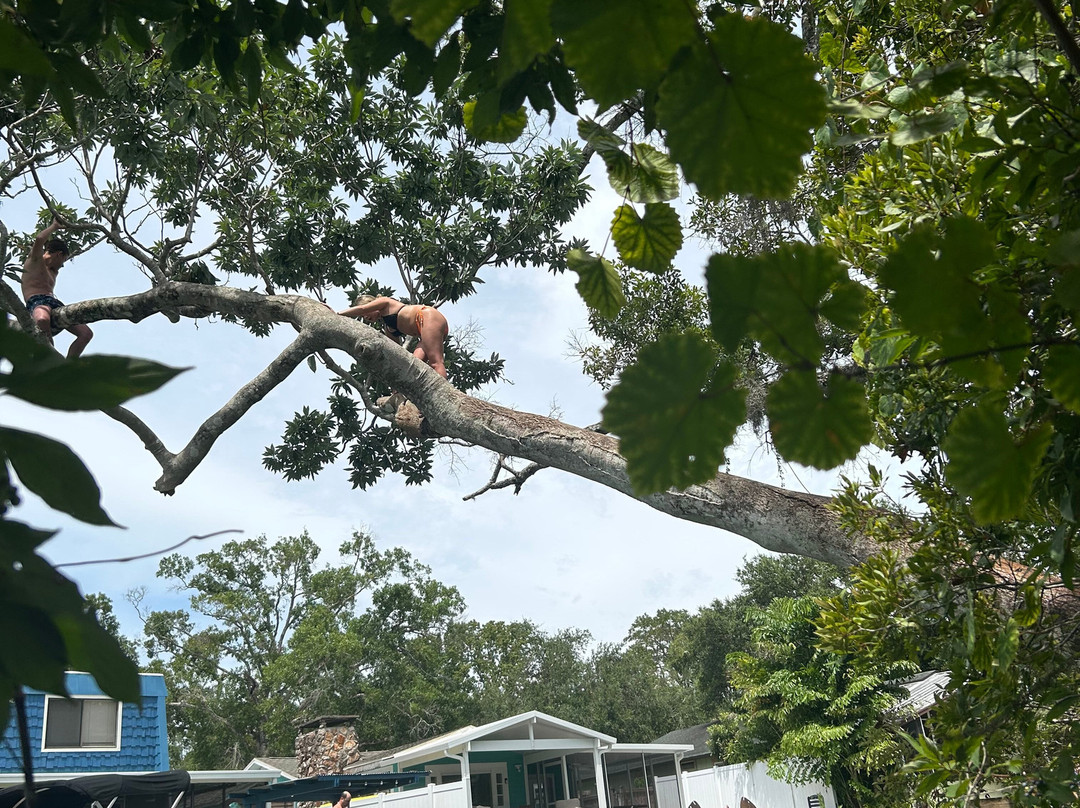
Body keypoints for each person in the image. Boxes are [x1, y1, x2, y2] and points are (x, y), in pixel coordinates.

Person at [21, 218, 93, 358]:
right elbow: (39, 239)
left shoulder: (54, 271)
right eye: (64, 260)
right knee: (42, 320)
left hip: (55, 304)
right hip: (37, 302)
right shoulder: (35, 260)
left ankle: (68, 366)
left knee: (86, 333)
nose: (63, 265)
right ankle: (50, 355)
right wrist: (54, 226)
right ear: (58, 254)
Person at [338, 295, 449, 379]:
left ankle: (447, 397)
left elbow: (362, 309)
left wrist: (337, 314)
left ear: (371, 304)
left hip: (427, 317)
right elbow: (397, 352)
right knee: (412, 367)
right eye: (363, 317)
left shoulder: (385, 302)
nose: (366, 317)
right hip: (423, 332)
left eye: (366, 313)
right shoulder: (389, 327)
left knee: (436, 362)